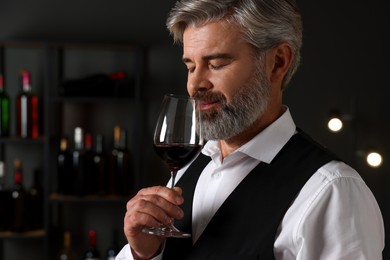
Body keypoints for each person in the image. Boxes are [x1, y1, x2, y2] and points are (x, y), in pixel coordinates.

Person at [116, 0, 385, 259]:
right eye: (190, 66)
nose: (195, 84)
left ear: (278, 62)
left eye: (216, 64)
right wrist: (143, 253)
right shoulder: (190, 166)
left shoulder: (332, 191)